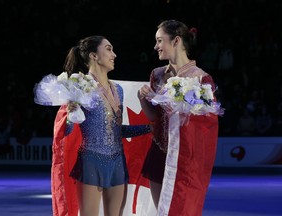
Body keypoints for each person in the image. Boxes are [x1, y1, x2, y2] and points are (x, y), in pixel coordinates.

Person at [51, 35, 151, 216]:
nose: (114, 54)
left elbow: (116, 131)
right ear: (93, 56)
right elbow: (67, 131)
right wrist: (70, 116)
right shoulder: (81, 87)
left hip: (117, 162)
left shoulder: (117, 89)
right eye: (108, 49)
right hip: (91, 161)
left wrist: (149, 128)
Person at [138, 20, 220, 216]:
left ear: (176, 41)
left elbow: (206, 127)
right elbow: (153, 117)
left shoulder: (200, 79)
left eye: (159, 41)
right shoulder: (157, 74)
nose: (155, 46)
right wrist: (142, 99)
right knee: (162, 212)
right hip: (159, 153)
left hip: (186, 160)